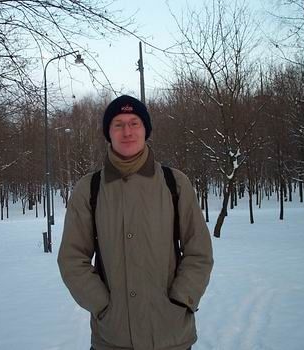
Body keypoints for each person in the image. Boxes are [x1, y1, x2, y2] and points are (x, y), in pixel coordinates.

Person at [57, 95, 213, 350]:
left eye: (134, 123)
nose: (127, 131)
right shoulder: (89, 189)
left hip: (171, 336)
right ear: (109, 132)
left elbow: (200, 252)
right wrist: (103, 306)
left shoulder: (175, 183)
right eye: (118, 124)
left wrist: (182, 299)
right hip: (112, 338)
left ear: (146, 130)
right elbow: (72, 259)